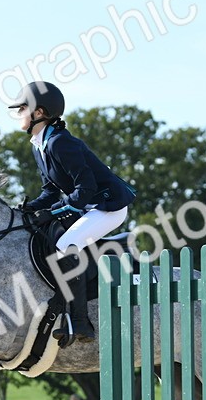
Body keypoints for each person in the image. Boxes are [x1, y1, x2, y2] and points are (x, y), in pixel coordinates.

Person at [10, 81, 136, 346]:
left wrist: (54, 211)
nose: (19, 114)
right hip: (87, 205)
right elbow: (50, 191)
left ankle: (81, 322)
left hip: (108, 206)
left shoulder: (60, 143)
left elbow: (85, 188)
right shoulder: (39, 145)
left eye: (22, 109)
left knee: (67, 244)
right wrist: (27, 209)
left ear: (39, 113)